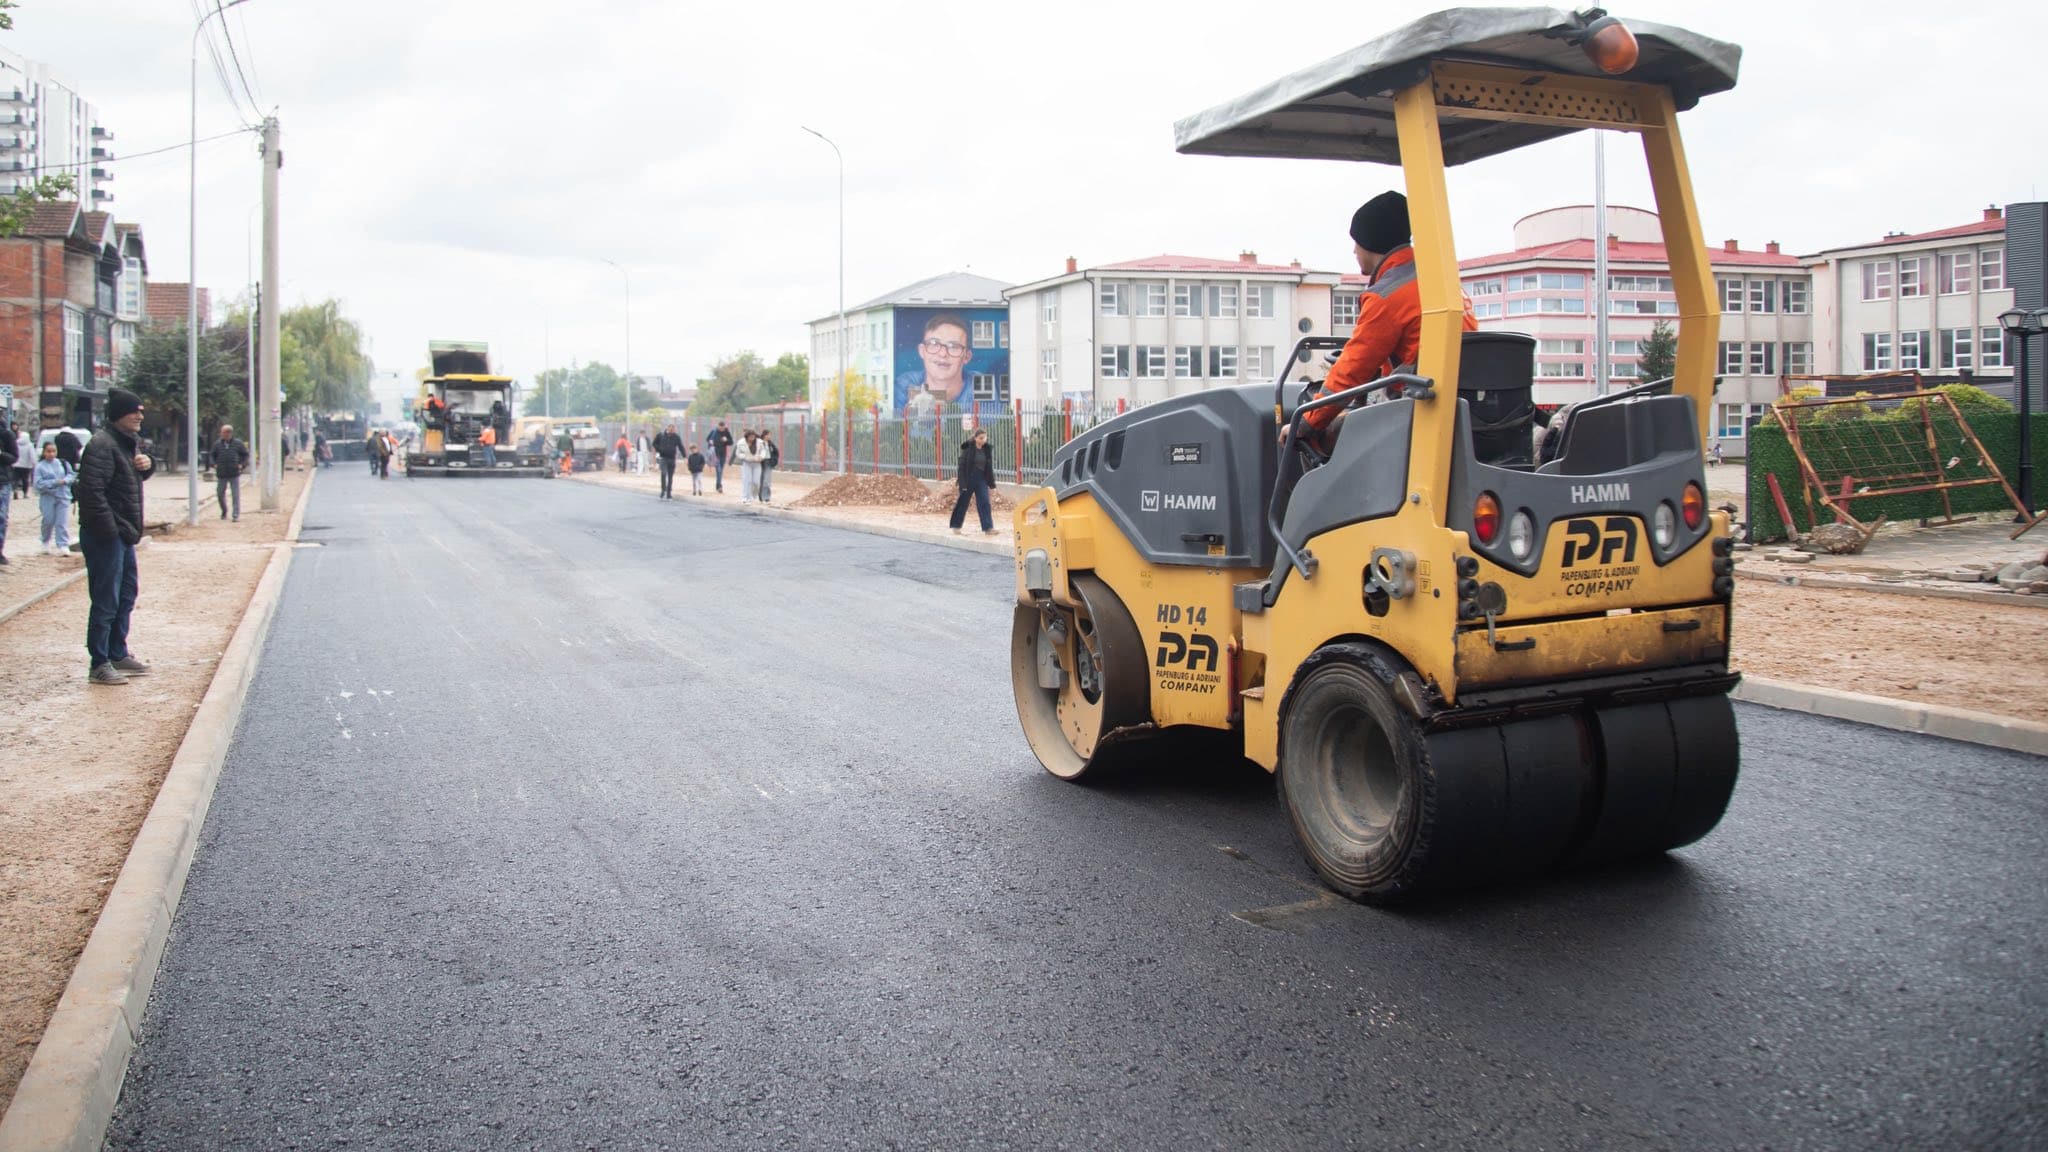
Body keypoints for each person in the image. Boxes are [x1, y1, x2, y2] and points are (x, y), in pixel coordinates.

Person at [1292, 191, 1477, 448]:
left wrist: (1305, 423)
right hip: (1463, 410)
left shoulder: (1386, 297)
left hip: (1417, 415)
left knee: (1318, 436)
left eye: (1356, 242)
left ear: (1370, 243)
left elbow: (1352, 370)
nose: (1354, 250)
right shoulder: (1442, 282)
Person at [76, 388, 154, 684]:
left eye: (141, 412)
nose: (140, 417)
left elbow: (122, 483)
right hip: (106, 536)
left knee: (126, 594)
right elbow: (91, 494)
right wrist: (111, 532)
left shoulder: (126, 444)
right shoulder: (102, 445)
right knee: (106, 599)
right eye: (134, 411)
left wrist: (147, 466)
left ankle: (117, 653)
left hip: (123, 534)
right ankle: (99, 663)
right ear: (119, 413)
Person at [898, 313, 973, 416]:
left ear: (967, 357)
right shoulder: (903, 384)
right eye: (934, 344)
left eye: (954, 346)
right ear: (922, 351)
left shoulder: (979, 385)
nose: (943, 354)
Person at [948, 426, 998, 535]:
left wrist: (991, 483)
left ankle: (988, 528)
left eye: (984, 438)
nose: (983, 440)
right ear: (975, 438)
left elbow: (989, 468)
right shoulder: (968, 448)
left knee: (985, 502)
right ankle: (956, 526)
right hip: (969, 479)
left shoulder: (986, 449)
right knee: (963, 502)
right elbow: (961, 466)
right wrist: (962, 483)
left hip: (981, 479)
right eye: (981, 438)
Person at [32, 440, 73, 554]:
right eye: (48, 451)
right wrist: (54, 482)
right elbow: (37, 484)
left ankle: (63, 544)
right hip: (47, 497)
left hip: (63, 496)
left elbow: (71, 475)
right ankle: (45, 541)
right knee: (48, 520)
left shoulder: (63, 463)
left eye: (53, 451)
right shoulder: (40, 467)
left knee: (62, 522)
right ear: (44, 452)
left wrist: (66, 480)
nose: (51, 454)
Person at [209, 424, 249, 521]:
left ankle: (235, 514)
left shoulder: (238, 444)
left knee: (235, 495)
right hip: (221, 473)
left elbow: (245, 455)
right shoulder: (217, 444)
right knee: (220, 493)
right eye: (221, 432)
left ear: (229, 433)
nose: (221, 434)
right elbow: (212, 455)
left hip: (234, 472)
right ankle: (224, 511)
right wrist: (214, 464)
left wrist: (242, 465)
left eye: (223, 432)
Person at [734, 428, 767, 503]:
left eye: (753, 436)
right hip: (747, 463)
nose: (752, 438)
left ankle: (753, 496)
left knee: (756, 482)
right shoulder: (741, 443)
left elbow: (763, 450)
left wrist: (761, 457)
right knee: (747, 481)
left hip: (757, 463)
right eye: (750, 437)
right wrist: (745, 457)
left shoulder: (759, 442)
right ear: (747, 437)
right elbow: (738, 453)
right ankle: (745, 497)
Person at [653, 423, 682, 499]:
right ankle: (663, 490)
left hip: (672, 459)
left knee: (670, 477)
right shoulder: (661, 435)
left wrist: (685, 456)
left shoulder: (676, 437)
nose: (672, 431)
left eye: (673, 429)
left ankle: (669, 493)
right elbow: (654, 443)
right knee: (663, 473)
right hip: (663, 458)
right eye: (671, 429)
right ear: (667, 428)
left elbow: (680, 446)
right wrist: (659, 449)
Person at [0, 420, 13, 564]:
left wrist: (1, 454)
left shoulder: (6, 434)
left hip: (2, 482)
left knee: (1, 518)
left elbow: (14, 457)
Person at [707, 420, 734, 493]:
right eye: (720, 428)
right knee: (718, 470)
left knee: (720, 470)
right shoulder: (713, 431)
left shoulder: (726, 432)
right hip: (715, 454)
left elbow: (731, 442)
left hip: (723, 454)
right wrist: (710, 442)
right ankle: (719, 486)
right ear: (718, 426)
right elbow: (707, 439)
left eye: (723, 428)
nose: (722, 429)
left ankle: (718, 485)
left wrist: (726, 440)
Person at [758, 432, 779, 504]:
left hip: (769, 463)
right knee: (761, 480)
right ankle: (761, 496)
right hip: (761, 463)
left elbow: (776, 452)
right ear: (764, 435)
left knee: (767, 481)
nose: (769, 436)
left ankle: (766, 497)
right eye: (768, 435)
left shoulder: (770, 444)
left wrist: (774, 460)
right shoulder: (760, 443)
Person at [11, 424, 30, 498]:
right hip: (26, 465)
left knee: (16, 479)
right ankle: (25, 493)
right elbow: (32, 455)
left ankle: (15, 490)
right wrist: (34, 463)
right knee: (25, 479)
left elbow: (13, 453)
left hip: (16, 464)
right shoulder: (29, 445)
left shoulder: (15, 444)